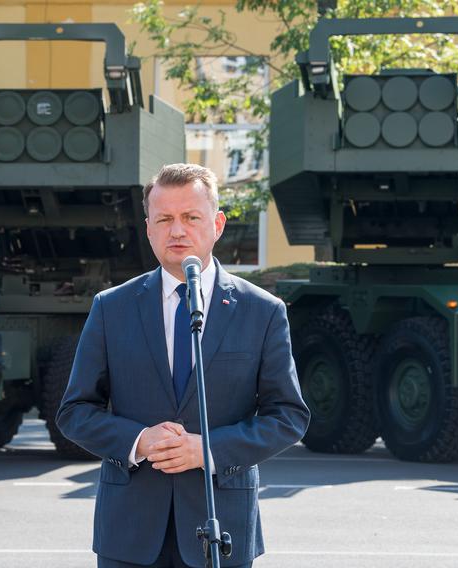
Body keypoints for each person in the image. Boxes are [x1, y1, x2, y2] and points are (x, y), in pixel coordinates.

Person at [57, 163, 310, 567]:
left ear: (217, 224)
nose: (177, 230)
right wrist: (139, 440)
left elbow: (288, 417)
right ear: (149, 228)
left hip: (221, 526)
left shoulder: (262, 311)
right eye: (165, 219)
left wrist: (208, 450)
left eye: (191, 217)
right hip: (129, 534)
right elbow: (74, 412)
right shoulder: (111, 308)